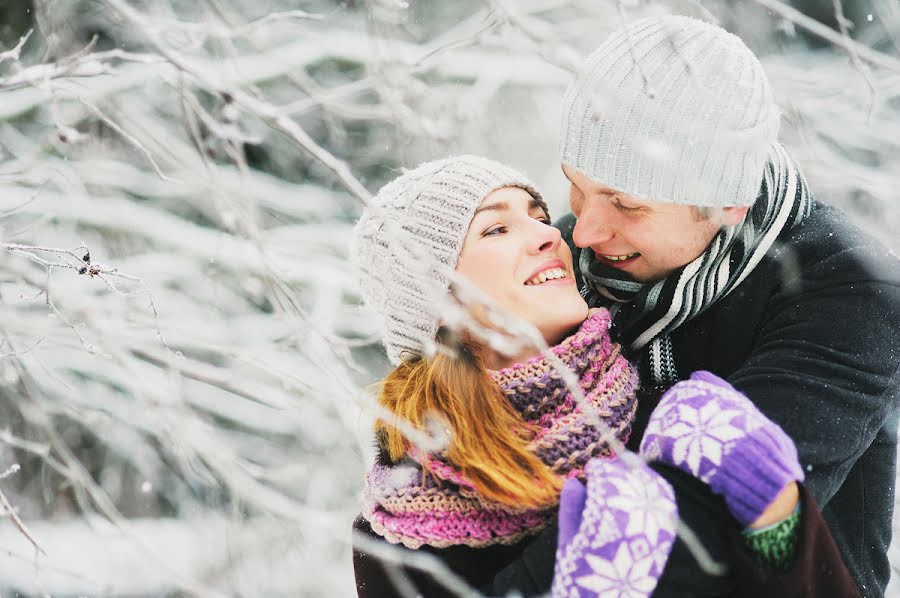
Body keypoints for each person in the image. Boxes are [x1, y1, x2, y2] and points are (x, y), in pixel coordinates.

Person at [349, 155, 857, 597]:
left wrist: (777, 512)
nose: (550, 234)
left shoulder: (666, 425)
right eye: (496, 229)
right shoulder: (404, 524)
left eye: (540, 216)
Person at [542, 13, 900, 598]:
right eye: (576, 188)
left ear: (727, 203)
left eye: (626, 204)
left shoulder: (850, 289)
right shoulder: (560, 261)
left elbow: (708, 529)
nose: (584, 232)